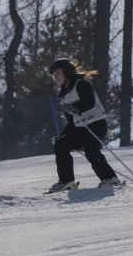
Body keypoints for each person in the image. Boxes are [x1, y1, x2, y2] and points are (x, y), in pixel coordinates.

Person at [48, 58, 121, 193]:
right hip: (80, 129)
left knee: (91, 151)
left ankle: (111, 178)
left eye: (57, 73)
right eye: (54, 75)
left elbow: (89, 102)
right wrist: (61, 136)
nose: (55, 77)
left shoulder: (80, 84)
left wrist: (75, 107)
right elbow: (72, 123)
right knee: (61, 144)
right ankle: (66, 181)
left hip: (96, 124)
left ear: (65, 70)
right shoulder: (65, 94)